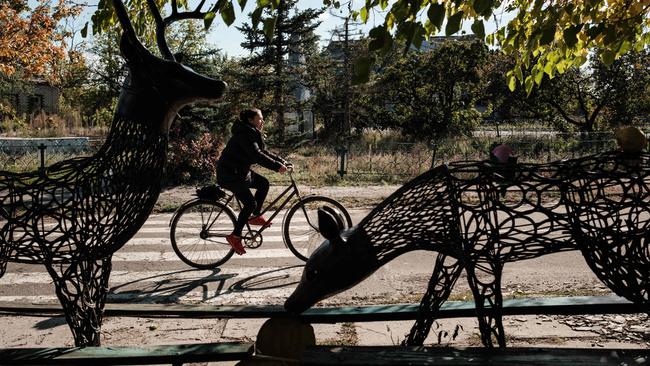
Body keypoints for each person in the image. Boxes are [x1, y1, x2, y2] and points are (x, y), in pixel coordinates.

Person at [217, 108, 289, 255]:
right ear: (251, 120)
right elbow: (256, 156)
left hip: (240, 172)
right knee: (250, 203)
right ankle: (235, 236)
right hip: (230, 175)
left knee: (264, 183)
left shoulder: (250, 132)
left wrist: (282, 162)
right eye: (260, 118)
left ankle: (254, 216)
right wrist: (277, 167)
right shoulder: (244, 134)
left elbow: (263, 152)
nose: (263, 121)